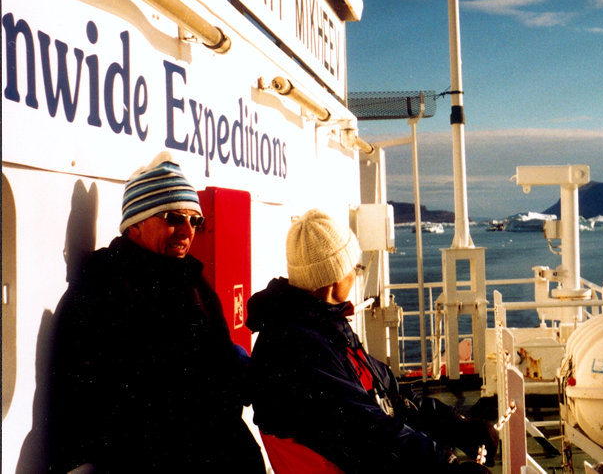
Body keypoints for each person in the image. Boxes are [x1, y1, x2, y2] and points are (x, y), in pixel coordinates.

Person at [46, 152, 266, 473]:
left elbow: (213, 359)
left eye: (195, 220)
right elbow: (100, 401)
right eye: (173, 218)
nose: (187, 230)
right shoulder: (104, 291)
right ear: (135, 224)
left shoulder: (193, 282)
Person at [248, 209, 497, 473]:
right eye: (353, 267)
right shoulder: (299, 347)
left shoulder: (323, 327)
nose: (356, 274)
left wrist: (456, 426)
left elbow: (390, 392)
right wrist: (446, 465)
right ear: (335, 278)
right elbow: (366, 429)